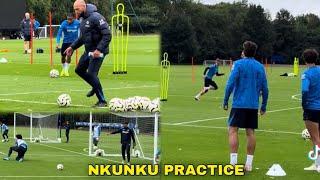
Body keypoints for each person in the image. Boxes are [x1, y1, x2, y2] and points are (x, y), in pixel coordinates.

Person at [223, 41, 269, 172]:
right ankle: (249, 164)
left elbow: (230, 83)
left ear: (244, 51)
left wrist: (225, 100)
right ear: (255, 52)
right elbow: (265, 88)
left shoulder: (238, 64)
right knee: (250, 133)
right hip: (253, 105)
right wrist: (264, 105)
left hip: (238, 104)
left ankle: (233, 163)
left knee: (232, 130)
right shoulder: (260, 67)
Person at [64, 0, 112, 107]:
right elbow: (82, 38)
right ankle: (95, 86)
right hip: (88, 51)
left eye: (77, 9)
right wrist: (72, 47)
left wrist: (99, 50)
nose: (75, 12)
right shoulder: (83, 19)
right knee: (79, 70)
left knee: (91, 74)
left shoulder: (96, 17)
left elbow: (107, 35)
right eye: (74, 9)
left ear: (84, 6)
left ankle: (102, 101)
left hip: (98, 52)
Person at [300, 49, 320, 172]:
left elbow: (305, 90)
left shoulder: (306, 74)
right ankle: (316, 163)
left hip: (311, 108)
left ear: (305, 60)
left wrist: (303, 104)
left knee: (315, 138)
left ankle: (318, 164)